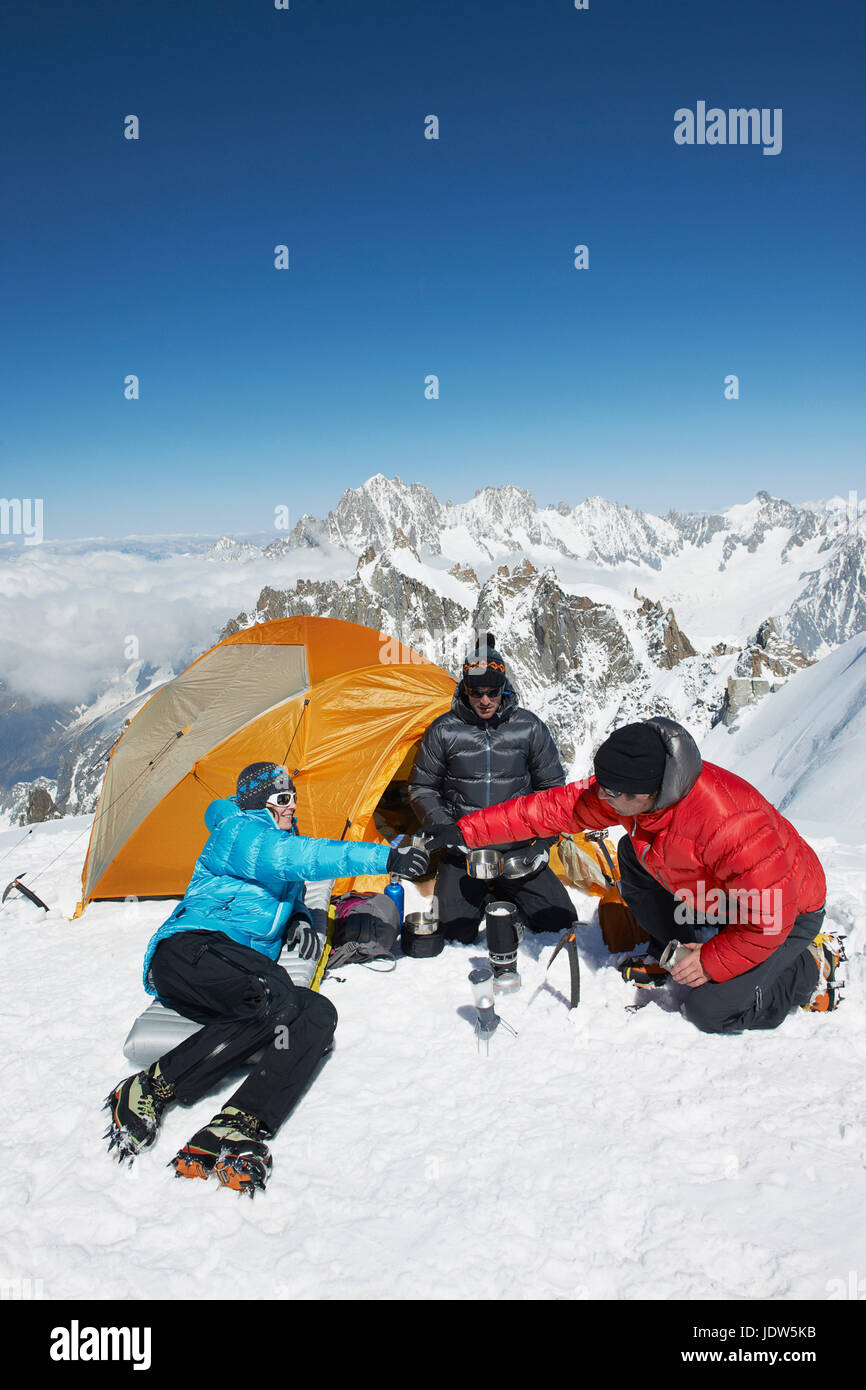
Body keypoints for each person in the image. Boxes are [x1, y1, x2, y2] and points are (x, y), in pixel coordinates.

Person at [105, 761, 429, 1194]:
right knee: (275, 995)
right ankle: (151, 1086)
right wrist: (386, 855)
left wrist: (295, 914)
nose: (292, 805)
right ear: (259, 804)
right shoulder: (237, 831)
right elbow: (295, 859)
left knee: (315, 1011)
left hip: (233, 969)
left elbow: (282, 877)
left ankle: (240, 1124)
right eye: (282, 799)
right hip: (188, 952)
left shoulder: (275, 839)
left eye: (293, 796)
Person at [425, 717, 843, 1032]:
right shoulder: (636, 790)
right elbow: (548, 810)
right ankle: (676, 945)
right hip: (721, 896)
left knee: (708, 1011)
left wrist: (713, 962)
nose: (600, 798)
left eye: (610, 793)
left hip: (784, 915)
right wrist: (465, 830)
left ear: (645, 795)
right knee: (633, 854)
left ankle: (808, 970)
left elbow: (769, 919)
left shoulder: (732, 826)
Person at [408, 633, 577, 954]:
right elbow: (422, 787)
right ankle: (489, 897)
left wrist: (541, 846)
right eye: (476, 692)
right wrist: (448, 830)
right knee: (454, 933)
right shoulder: (443, 730)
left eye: (493, 692)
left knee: (560, 922)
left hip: (519, 853)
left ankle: (503, 893)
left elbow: (553, 793)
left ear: (504, 688)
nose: (485, 700)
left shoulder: (529, 728)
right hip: (464, 854)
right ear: (464, 689)